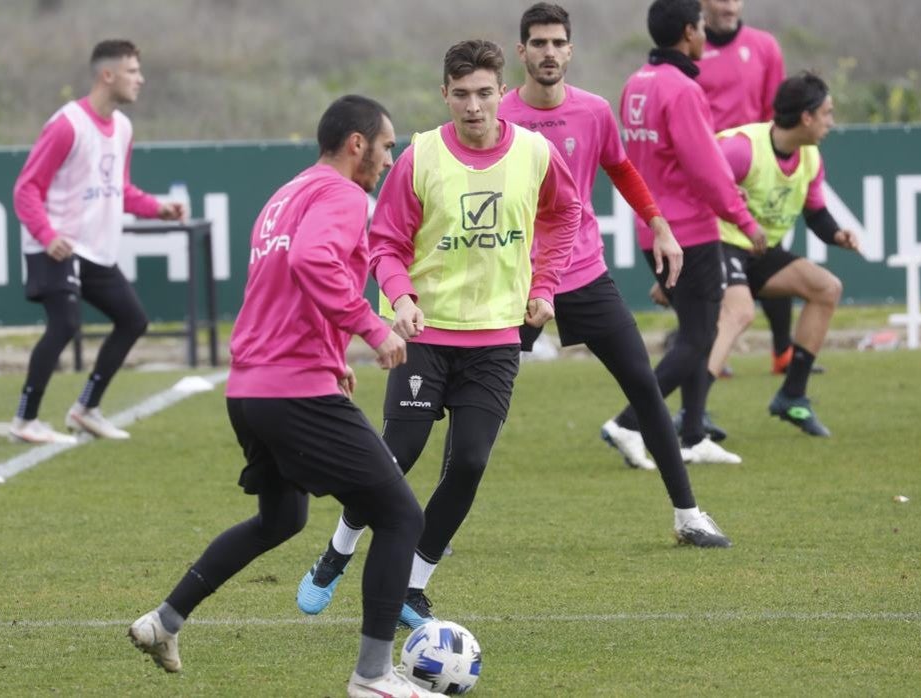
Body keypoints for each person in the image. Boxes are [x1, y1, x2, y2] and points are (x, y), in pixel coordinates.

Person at [127, 95, 438, 697]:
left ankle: (163, 622)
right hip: (292, 390)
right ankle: (373, 676)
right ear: (357, 144)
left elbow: (278, 288)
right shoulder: (346, 196)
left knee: (282, 517)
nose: (389, 156)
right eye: (387, 145)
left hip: (251, 386)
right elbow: (313, 259)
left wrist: (330, 358)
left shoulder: (285, 195)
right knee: (401, 515)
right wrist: (371, 328)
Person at [294, 39, 581, 629]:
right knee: (395, 457)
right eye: (460, 94)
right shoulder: (420, 157)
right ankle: (338, 551)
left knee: (470, 463)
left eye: (483, 93)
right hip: (425, 334)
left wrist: (545, 284)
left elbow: (563, 214)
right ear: (443, 94)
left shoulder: (536, 153)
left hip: (496, 337)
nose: (473, 106)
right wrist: (399, 298)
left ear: (503, 92)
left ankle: (413, 587)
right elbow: (387, 243)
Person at [499, 3, 731, 546]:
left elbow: (621, 168)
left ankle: (689, 516)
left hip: (582, 273)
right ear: (522, 52)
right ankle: (427, 521)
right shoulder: (498, 116)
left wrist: (661, 225)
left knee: (646, 389)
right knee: (474, 402)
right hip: (514, 283)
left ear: (570, 50)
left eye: (558, 43)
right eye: (538, 43)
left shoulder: (594, 111)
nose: (549, 52)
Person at [0, 39, 184, 445]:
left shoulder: (124, 128)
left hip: (93, 249)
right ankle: (25, 420)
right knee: (65, 324)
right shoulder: (67, 125)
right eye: (133, 71)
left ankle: (85, 409)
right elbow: (25, 189)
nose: (141, 80)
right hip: (56, 245)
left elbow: (121, 190)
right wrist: (47, 235)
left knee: (133, 320)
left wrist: (157, 209)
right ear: (107, 75)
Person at [603, 0, 765, 465]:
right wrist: (744, 220)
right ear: (690, 32)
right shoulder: (682, 88)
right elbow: (706, 169)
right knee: (698, 337)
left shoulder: (636, 84)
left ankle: (692, 434)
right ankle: (628, 423)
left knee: (697, 330)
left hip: (652, 228)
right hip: (689, 231)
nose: (704, 37)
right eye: (700, 29)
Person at [705, 72, 860, 436]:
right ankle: (693, 413)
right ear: (806, 117)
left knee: (826, 288)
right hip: (718, 242)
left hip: (759, 249)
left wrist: (838, 234)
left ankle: (792, 396)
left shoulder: (809, 158)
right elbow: (694, 186)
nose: (831, 123)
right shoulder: (742, 148)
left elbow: (816, 212)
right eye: (827, 113)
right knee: (738, 313)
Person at [697, 0, 804, 377]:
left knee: (770, 255)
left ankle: (783, 352)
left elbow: (778, 112)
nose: (729, 5)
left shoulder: (764, 47)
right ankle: (711, 350)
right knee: (712, 264)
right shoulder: (691, 48)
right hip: (711, 173)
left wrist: (770, 162)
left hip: (756, 170)